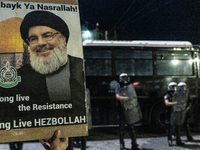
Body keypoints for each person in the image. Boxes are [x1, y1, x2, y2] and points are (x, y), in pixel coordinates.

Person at [17, 10, 85, 103]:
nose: (40, 43)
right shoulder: (20, 76)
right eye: (33, 39)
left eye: (47, 36)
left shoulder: (81, 67)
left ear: (63, 40)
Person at [115, 73, 142, 150]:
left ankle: (134, 144)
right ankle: (121, 144)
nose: (124, 79)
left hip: (129, 109)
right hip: (121, 111)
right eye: (123, 78)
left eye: (125, 77)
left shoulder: (130, 87)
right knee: (121, 129)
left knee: (131, 128)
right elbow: (117, 96)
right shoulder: (118, 87)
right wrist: (126, 97)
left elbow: (133, 96)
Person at [164, 82, 184, 146]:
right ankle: (170, 141)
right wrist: (175, 103)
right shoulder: (167, 96)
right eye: (173, 87)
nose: (174, 89)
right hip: (169, 114)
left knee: (178, 127)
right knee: (169, 128)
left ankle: (178, 141)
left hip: (176, 113)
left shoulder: (177, 95)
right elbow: (167, 103)